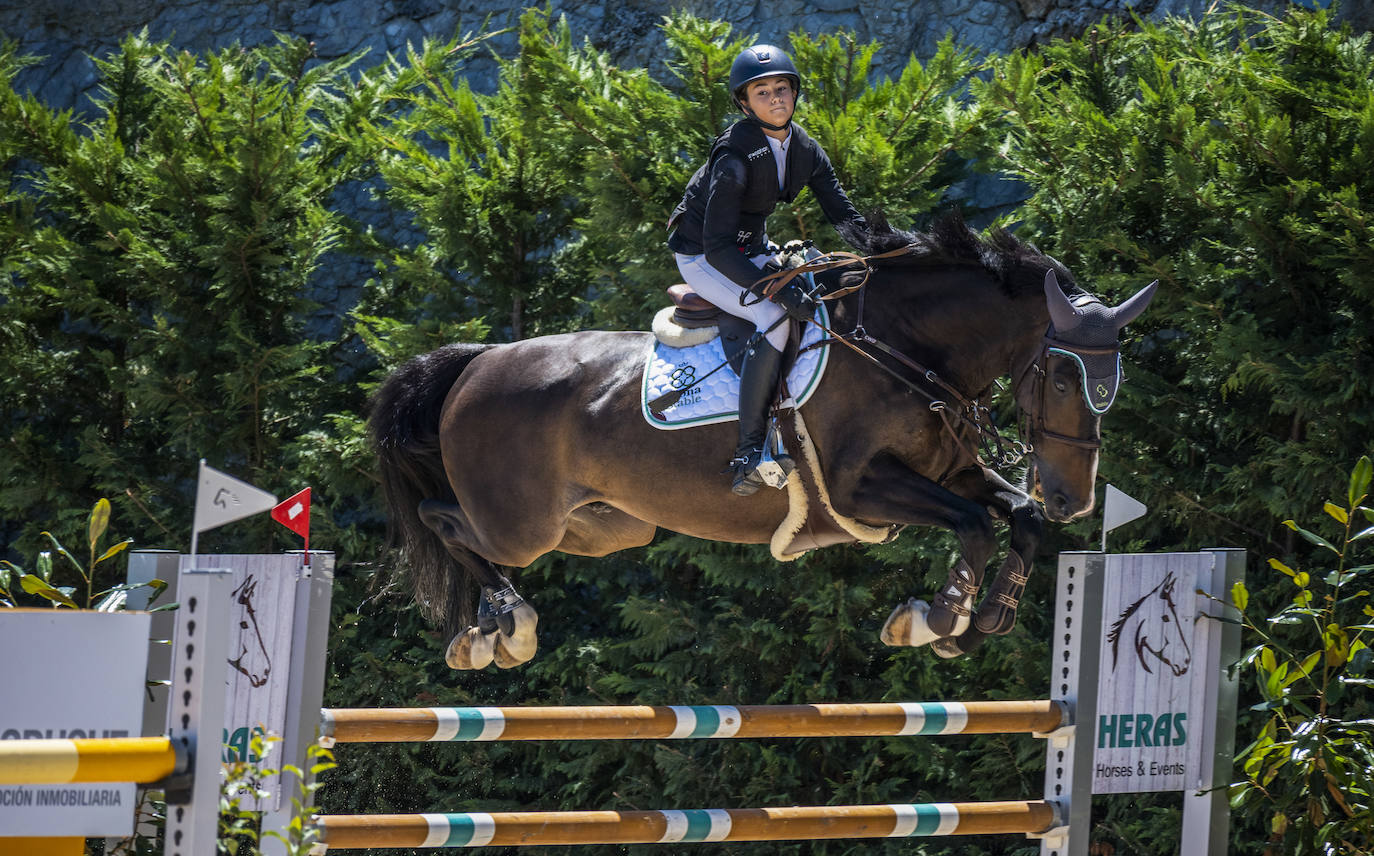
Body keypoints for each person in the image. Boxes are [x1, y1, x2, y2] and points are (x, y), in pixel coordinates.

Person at [667, 44, 867, 496]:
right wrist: (773, 292)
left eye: (782, 88)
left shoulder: (805, 149)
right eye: (762, 92)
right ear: (744, 102)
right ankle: (749, 453)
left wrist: (891, 250)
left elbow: (844, 215)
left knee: (824, 291)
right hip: (703, 256)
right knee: (774, 320)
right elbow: (717, 248)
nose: (776, 98)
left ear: (795, 93)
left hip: (750, 247)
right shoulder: (734, 157)